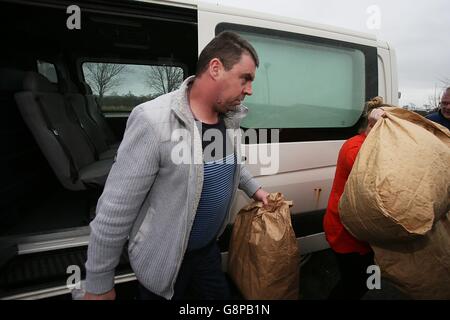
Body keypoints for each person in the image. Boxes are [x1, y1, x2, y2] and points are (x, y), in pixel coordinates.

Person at [83, 31, 269, 300]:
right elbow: (115, 210)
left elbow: (231, 164)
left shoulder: (226, 119)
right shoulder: (152, 120)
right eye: (245, 78)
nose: (249, 89)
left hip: (207, 254)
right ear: (215, 68)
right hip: (165, 262)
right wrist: (99, 284)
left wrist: (255, 190)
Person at [323, 96, 385, 300]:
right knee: (353, 284)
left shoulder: (374, 147)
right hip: (345, 231)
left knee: (362, 281)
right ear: (371, 125)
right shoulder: (355, 146)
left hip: (361, 231)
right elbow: (368, 173)